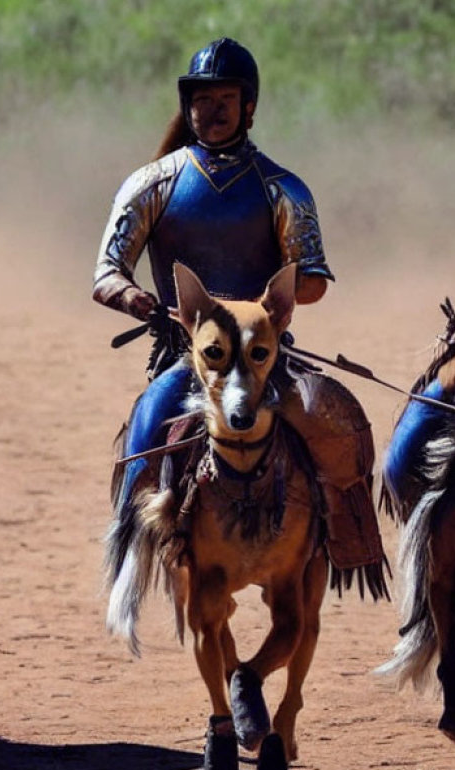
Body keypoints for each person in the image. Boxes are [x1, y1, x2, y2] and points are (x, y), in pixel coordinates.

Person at [94, 38, 384, 580]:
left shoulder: (283, 189)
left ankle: (348, 543)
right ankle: (131, 550)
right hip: (191, 358)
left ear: (248, 106)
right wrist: (138, 299)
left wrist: (275, 300)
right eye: (202, 99)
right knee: (147, 431)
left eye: (226, 98)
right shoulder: (151, 183)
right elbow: (106, 271)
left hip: (264, 357)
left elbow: (314, 279)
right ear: (188, 106)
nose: (213, 110)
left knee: (339, 427)